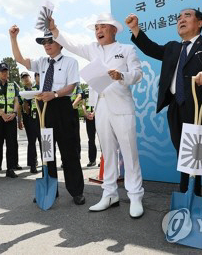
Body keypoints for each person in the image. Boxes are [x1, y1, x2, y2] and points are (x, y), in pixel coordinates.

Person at [126, 8, 202, 220]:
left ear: (199, 23)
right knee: (186, 158)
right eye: (178, 17)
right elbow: (150, 48)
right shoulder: (173, 48)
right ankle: (189, 198)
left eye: (187, 16)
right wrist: (136, 29)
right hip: (177, 108)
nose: (181, 19)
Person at [50, 13, 144, 218]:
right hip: (101, 107)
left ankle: (135, 196)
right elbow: (71, 44)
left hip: (122, 107)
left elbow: (137, 74)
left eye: (102, 27)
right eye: (96, 28)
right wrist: (55, 30)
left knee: (129, 153)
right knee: (108, 153)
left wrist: (122, 76)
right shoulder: (92, 49)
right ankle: (110, 194)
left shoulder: (127, 50)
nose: (98, 31)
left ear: (113, 29)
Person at [10, 25, 85, 205]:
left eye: (50, 41)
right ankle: (51, 189)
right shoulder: (42, 62)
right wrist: (13, 38)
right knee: (47, 151)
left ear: (60, 43)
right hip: (45, 109)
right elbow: (19, 59)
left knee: (69, 151)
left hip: (62, 106)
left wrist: (55, 94)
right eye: (44, 42)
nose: (46, 45)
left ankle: (76, 191)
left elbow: (72, 86)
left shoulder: (70, 62)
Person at [0, 62, 20, 181]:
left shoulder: (13, 85)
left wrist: (14, 113)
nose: (4, 73)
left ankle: (10, 169)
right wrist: (2, 114)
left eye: (6, 71)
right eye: (2, 71)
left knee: (12, 144)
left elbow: (16, 100)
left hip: (11, 118)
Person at [20, 71, 40, 174]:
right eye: (23, 78)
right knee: (32, 142)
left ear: (30, 77)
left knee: (43, 141)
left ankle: (47, 164)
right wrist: (20, 121)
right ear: (22, 81)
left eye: (26, 77)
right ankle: (33, 165)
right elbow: (20, 107)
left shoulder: (37, 88)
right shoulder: (21, 91)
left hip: (40, 117)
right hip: (29, 118)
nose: (25, 79)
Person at [81, 88, 97, 167]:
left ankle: (103, 160)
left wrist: (94, 113)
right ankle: (92, 160)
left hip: (98, 116)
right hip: (88, 117)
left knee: (102, 139)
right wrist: (85, 113)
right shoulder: (86, 90)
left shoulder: (98, 89)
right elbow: (83, 104)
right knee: (91, 139)